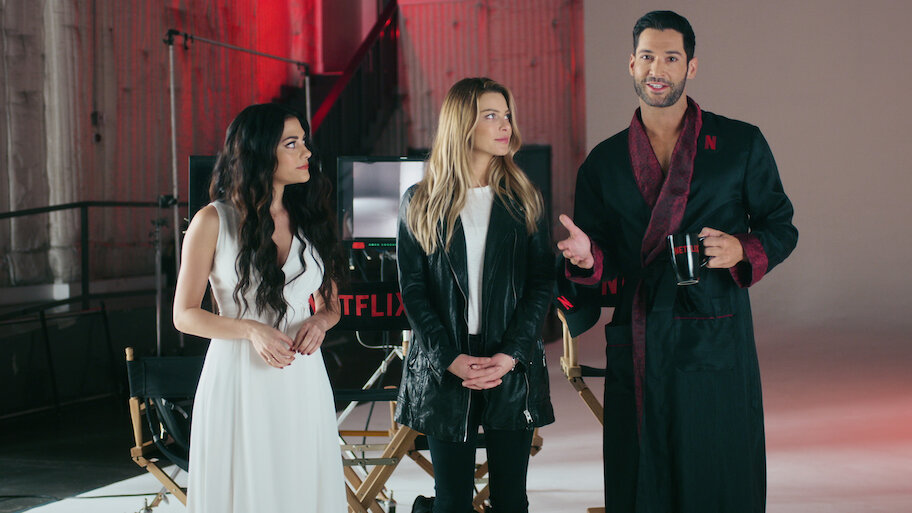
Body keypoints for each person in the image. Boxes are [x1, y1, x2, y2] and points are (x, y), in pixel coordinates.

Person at [557, 11, 798, 512]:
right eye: (647, 57)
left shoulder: (739, 143)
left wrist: (741, 249)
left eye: (671, 57)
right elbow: (599, 259)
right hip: (640, 331)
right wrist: (586, 257)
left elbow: (780, 225)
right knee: (640, 470)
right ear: (631, 64)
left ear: (691, 66)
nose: (657, 69)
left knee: (718, 463)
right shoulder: (603, 162)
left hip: (715, 329)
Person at [172, 103, 346, 512]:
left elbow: (331, 304)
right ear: (259, 151)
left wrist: (321, 321)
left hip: (303, 376)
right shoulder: (212, 221)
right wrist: (251, 329)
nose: (306, 152)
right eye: (292, 143)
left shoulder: (310, 218)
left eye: (303, 141)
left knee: (302, 483)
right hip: (239, 376)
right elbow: (184, 314)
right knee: (245, 487)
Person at [396, 77, 555, 513]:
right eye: (491, 115)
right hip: (446, 365)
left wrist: (511, 354)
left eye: (507, 115)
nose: (505, 125)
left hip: (511, 363)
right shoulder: (420, 201)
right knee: (452, 502)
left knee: (511, 501)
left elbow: (541, 282)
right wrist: (447, 356)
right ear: (462, 124)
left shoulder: (524, 198)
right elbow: (413, 289)